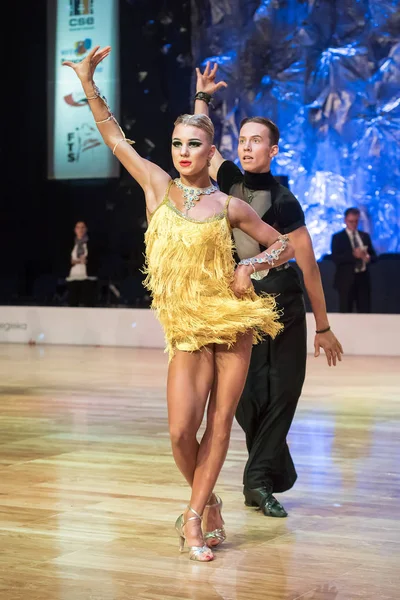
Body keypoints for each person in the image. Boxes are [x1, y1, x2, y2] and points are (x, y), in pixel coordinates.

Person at [63, 45, 295, 562]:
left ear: (209, 151)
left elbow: (283, 244)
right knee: (178, 432)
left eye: (194, 144)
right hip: (186, 327)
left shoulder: (229, 204)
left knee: (219, 423)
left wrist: (247, 266)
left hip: (230, 322)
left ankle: (193, 520)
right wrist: (88, 82)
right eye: (176, 144)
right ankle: (207, 500)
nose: (183, 152)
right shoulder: (158, 187)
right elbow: (113, 137)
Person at [194, 62, 343, 519]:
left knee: (284, 393)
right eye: (243, 139)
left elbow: (309, 266)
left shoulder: (284, 199)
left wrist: (324, 326)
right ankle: (269, 467)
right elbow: (202, 143)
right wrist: (202, 98)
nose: (246, 145)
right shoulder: (231, 183)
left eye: (256, 139)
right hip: (241, 309)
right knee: (245, 397)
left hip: (286, 307)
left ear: (273, 150)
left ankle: (257, 481)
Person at [331, 207, 377, 313]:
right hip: (346, 280)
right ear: (345, 220)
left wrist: (368, 258)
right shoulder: (338, 237)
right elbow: (336, 258)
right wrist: (354, 255)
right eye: (351, 221)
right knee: (346, 311)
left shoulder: (364, 236)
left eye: (356, 221)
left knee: (365, 310)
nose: (353, 224)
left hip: (363, 279)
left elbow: (374, 256)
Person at [66, 220, 98, 307]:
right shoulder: (70, 243)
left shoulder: (91, 244)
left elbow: (97, 260)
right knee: (73, 303)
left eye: (82, 227)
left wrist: (87, 261)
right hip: (73, 277)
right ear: (75, 230)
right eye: (78, 227)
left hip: (87, 277)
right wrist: (72, 262)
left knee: (87, 303)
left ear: (86, 229)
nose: (80, 229)